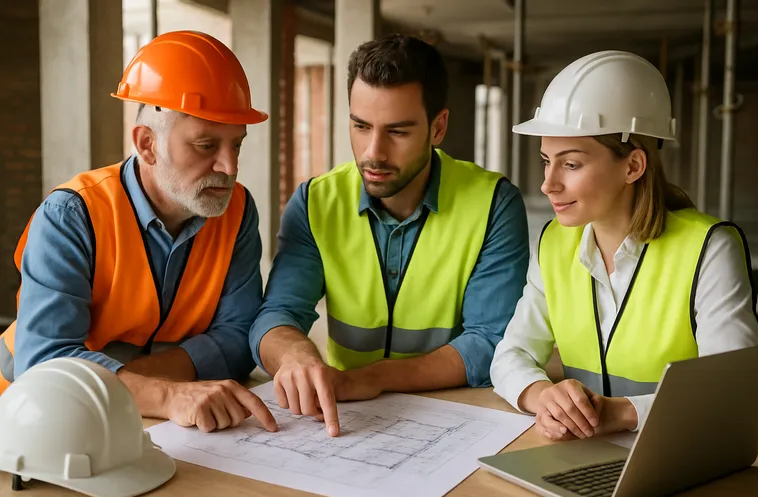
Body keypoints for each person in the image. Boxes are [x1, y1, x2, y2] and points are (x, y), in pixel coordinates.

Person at [250, 34, 530, 437]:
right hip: (347, 422)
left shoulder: (493, 202)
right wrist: (294, 355)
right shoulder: (315, 201)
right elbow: (275, 315)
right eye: (360, 126)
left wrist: (373, 377)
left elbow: (489, 343)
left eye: (397, 132)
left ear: (438, 127)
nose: (373, 152)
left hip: (458, 416)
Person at [0, 31, 277, 434]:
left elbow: (237, 339)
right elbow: (46, 363)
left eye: (237, 145)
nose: (230, 167)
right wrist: (164, 394)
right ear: (147, 144)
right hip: (28, 423)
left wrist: (136, 386)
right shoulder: (72, 215)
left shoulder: (236, 211)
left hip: (143, 423)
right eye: (206, 145)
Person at [490, 50, 758, 442]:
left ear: (633, 166)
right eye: (546, 161)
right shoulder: (554, 244)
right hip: (582, 455)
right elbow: (510, 355)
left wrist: (625, 412)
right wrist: (542, 395)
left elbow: (733, 391)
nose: (548, 184)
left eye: (571, 164)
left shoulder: (709, 249)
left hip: (678, 454)